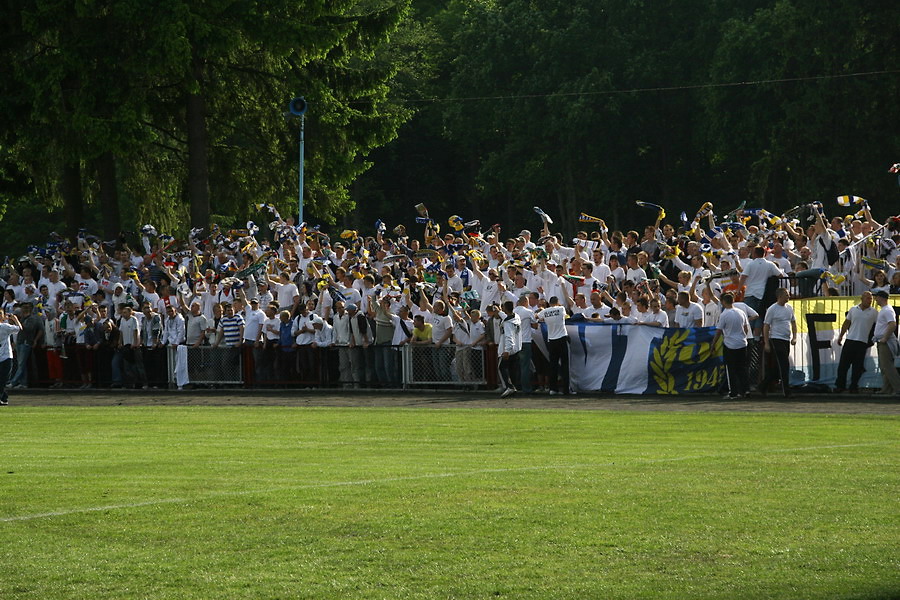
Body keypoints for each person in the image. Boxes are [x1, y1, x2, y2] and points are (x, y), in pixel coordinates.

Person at [834, 291, 877, 393]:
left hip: (862, 342)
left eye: (871, 298)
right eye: (867, 298)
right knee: (843, 365)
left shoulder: (874, 312)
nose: (870, 300)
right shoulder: (853, 309)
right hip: (850, 340)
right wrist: (841, 336)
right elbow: (846, 323)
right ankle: (840, 386)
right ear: (862, 299)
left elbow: (879, 325)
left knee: (857, 367)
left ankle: (853, 387)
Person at [759, 288, 796, 397]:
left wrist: (794, 337)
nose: (788, 297)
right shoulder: (772, 309)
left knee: (778, 367)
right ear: (779, 296)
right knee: (784, 364)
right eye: (786, 295)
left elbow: (793, 323)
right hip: (776, 338)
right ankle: (786, 391)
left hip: (786, 339)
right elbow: (766, 326)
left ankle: (763, 385)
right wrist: (766, 342)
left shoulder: (789, 308)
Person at [714, 292, 751, 399]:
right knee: (742, 369)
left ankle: (733, 392)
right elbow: (746, 328)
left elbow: (719, 331)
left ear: (723, 302)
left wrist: (713, 344)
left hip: (730, 344)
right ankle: (746, 390)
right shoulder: (741, 312)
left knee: (731, 369)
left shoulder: (724, 314)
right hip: (742, 343)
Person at [535, 296, 569, 395]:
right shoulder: (561, 308)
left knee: (553, 365)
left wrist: (542, 311)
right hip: (562, 338)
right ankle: (566, 389)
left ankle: (553, 389)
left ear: (549, 303)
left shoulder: (545, 311)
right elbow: (565, 315)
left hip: (551, 340)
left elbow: (536, 316)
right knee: (564, 365)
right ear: (557, 302)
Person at [8, 302, 43, 389]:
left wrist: (18, 322)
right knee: (22, 364)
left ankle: (13, 382)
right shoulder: (23, 318)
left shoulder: (32, 319)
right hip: (20, 342)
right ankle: (23, 383)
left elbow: (28, 329)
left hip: (26, 342)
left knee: (21, 363)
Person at [872, 290, 900, 397]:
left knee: (887, 366)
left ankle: (898, 388)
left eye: (877, 297)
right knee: (884, 366)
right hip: (883, 340)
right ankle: (886, 389)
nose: (875, 299)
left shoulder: (887, 310)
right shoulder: (884, 310)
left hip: (886, 341)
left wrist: (884, 338)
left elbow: (892, 324)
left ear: (882, 298)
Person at [497, 300, 522, 397]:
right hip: (517, 348)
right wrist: (499, 311)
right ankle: (514, 387)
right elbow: (506, 317)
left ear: (505, 309)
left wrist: (507, 350)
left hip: (509, 349)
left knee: (501, 367)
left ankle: (509, 386)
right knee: (512, 369)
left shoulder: (508, 323)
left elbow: (509, 336)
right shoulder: (516, 317)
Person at [0, 308, 22, 405]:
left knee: (3, 379)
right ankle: (3, 397)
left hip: (5, 356)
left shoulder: (5, 326)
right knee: (3, 379)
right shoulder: (5, 327)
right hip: (6, 356)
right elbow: (19, 328)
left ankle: (3, 398)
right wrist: (15, 319)